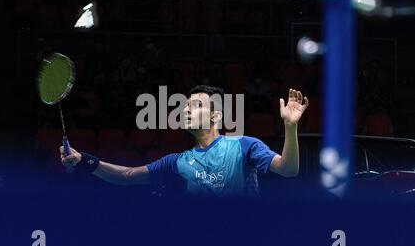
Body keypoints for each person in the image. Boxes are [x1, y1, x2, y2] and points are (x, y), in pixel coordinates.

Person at [60, 85, 309, 197]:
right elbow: (126, 176)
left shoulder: (244, 145)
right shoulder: (177, 163)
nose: (187, 110)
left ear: (216, 115)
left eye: (196, 105)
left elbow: (288, 169)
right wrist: (84, 161)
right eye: (186, 106)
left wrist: (290, 126)